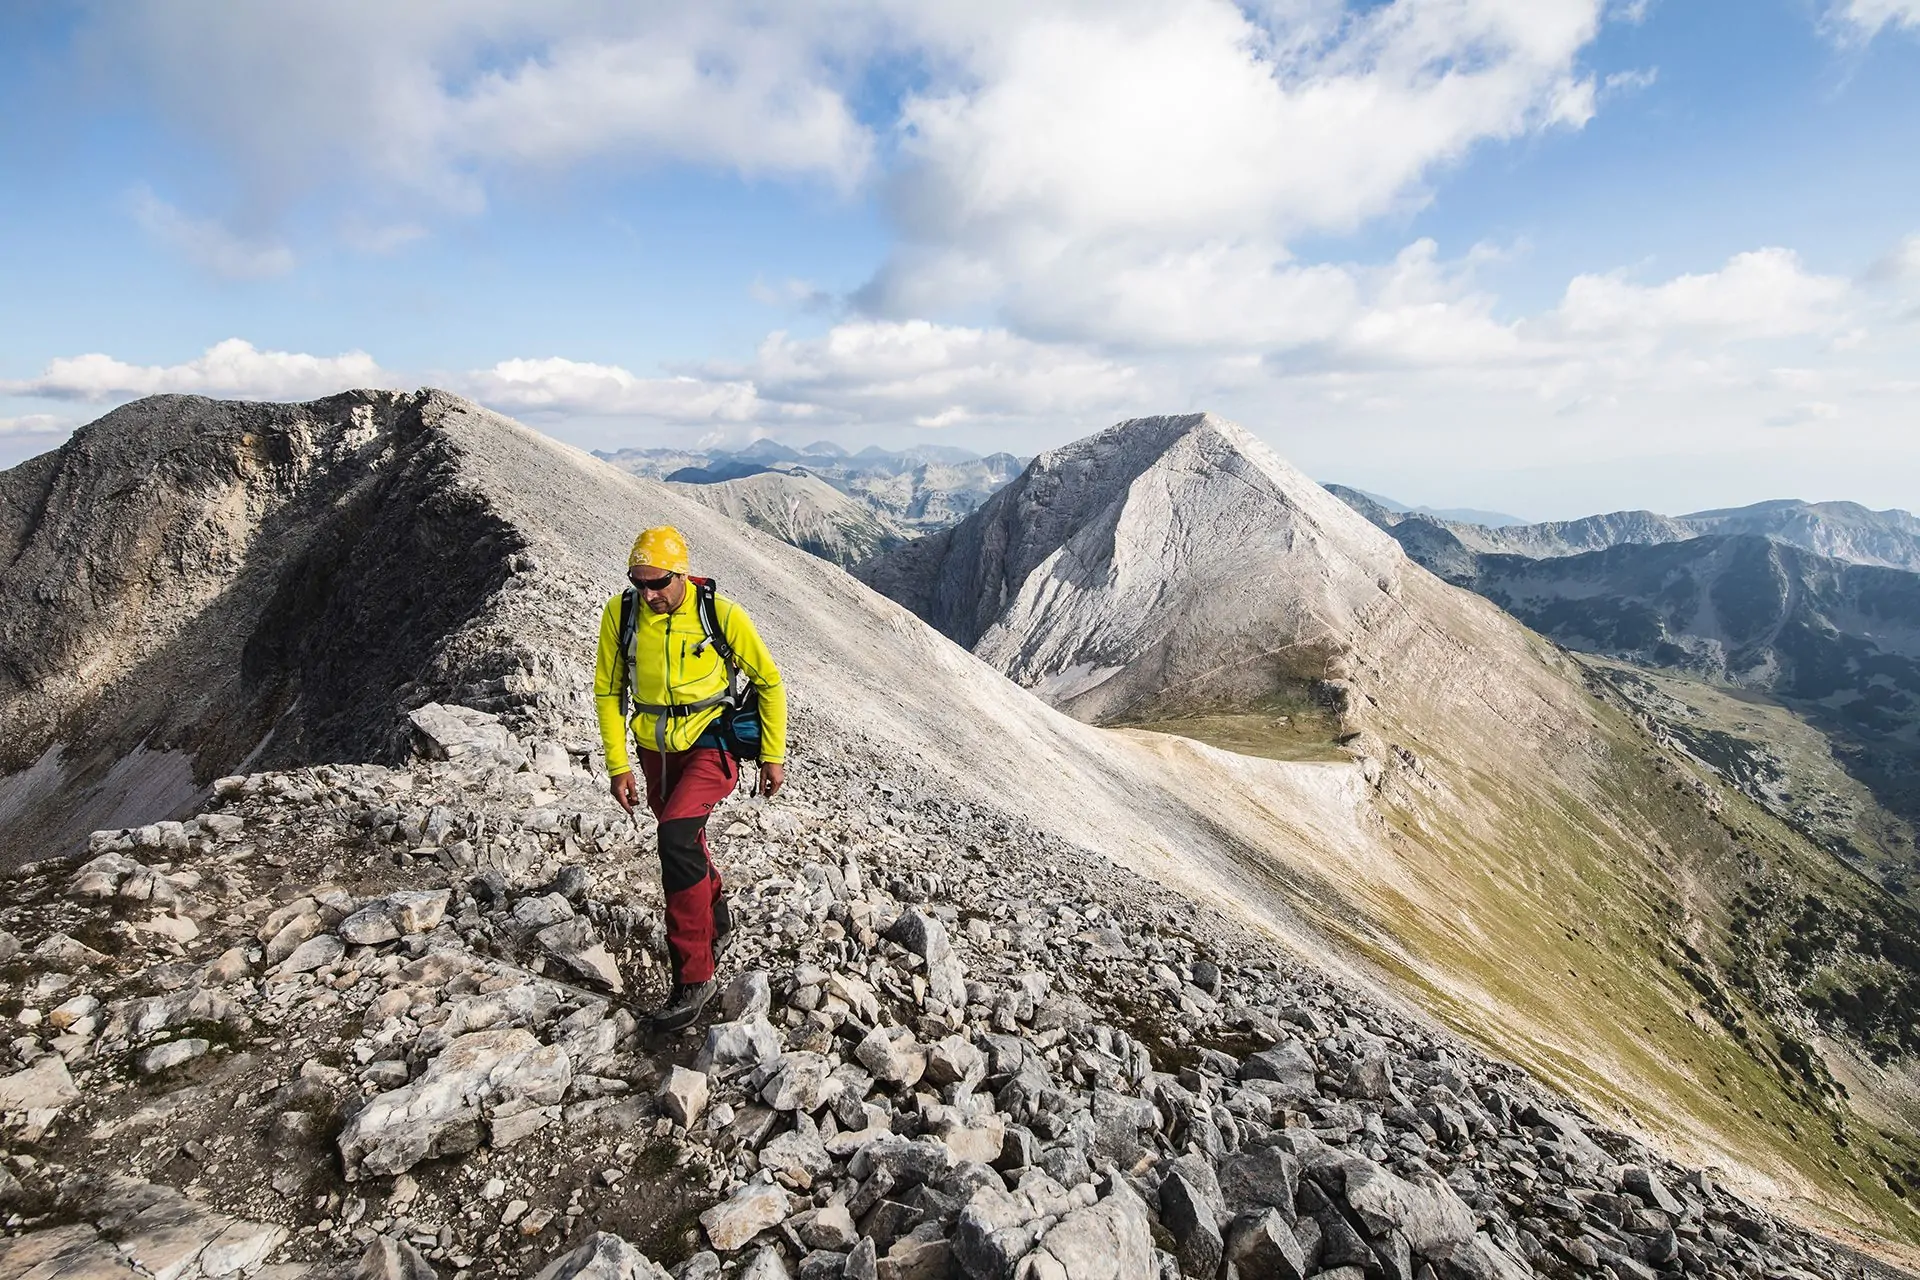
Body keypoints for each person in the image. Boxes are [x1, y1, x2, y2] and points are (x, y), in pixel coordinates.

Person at [593, 526, 786, 1030]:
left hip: (711, 744)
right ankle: (718, 916)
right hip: (654, 752)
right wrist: (618, 764)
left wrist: (772, 754)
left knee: (674, 838)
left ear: (681, 574)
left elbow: (768, 681)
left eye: (657, 583)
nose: (649, 594)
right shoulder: (622, 615)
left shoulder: (719, 614)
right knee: (686, 841)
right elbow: (609, 693)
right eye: (640, 584)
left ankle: (694, 978)